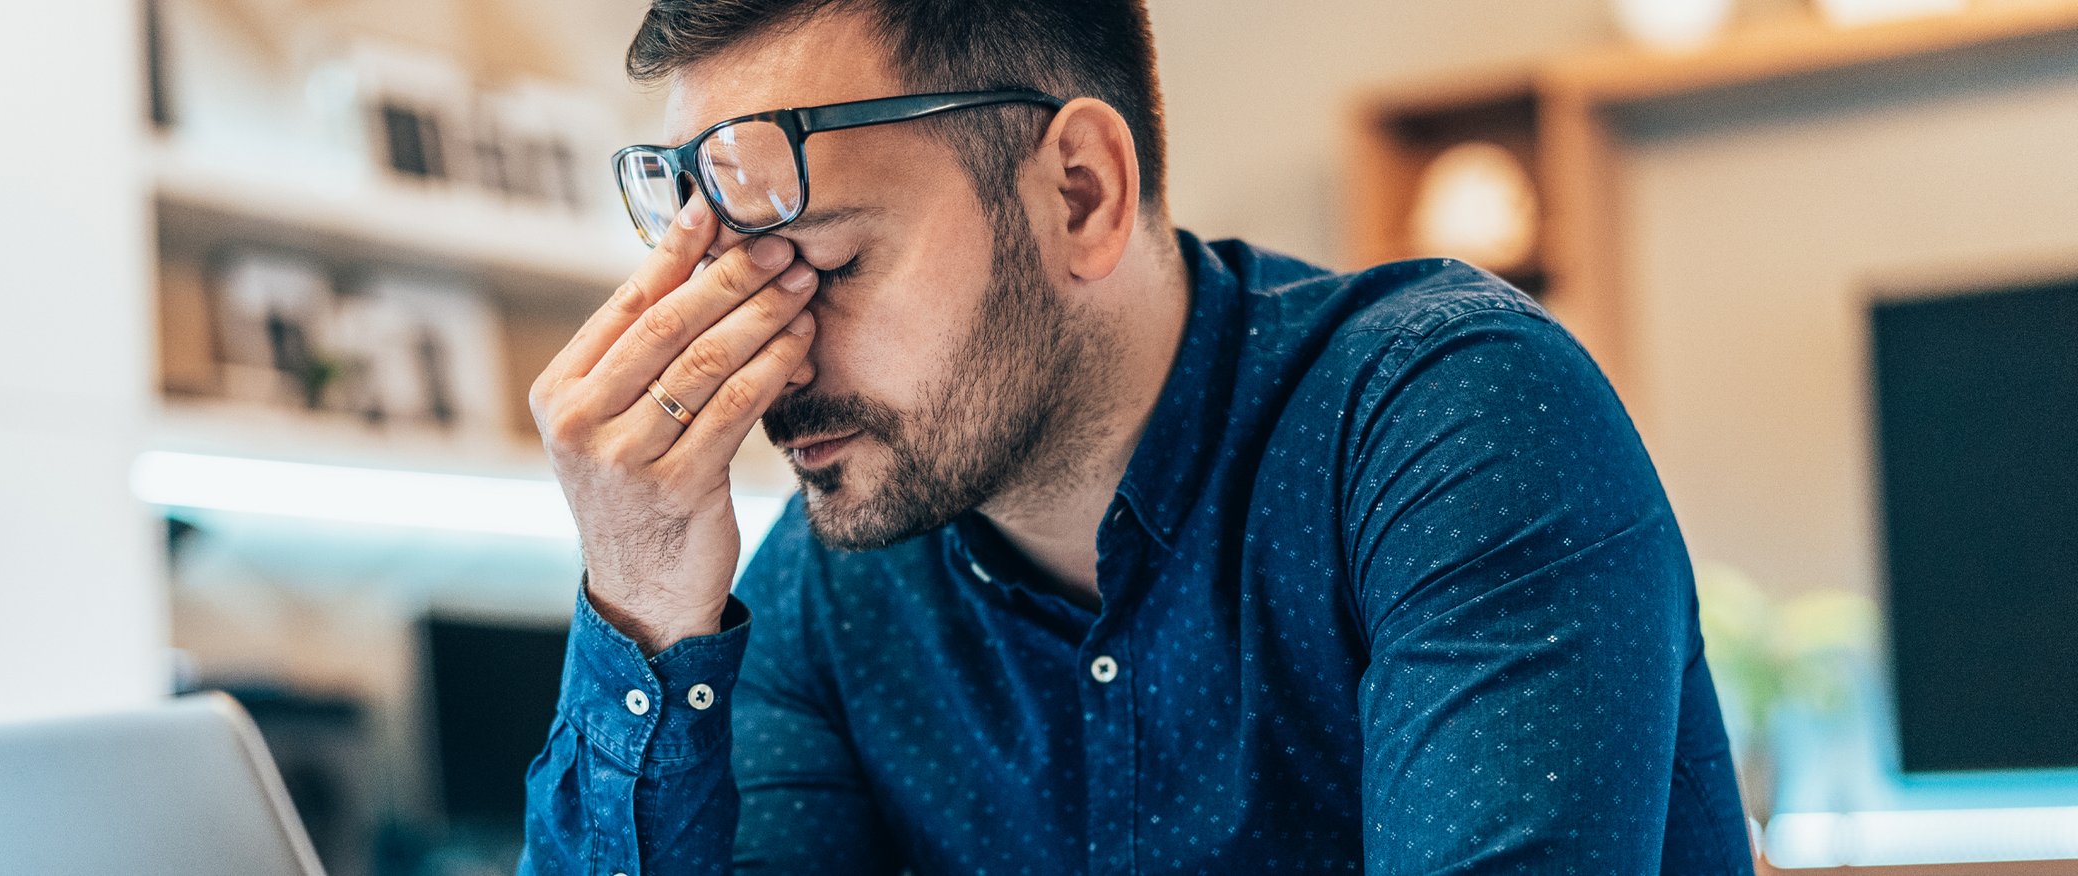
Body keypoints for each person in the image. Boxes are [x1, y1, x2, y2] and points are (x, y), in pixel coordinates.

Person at [520, 0, 1754, 872]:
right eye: (731, 292)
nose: (769, 363)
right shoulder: (826, 587)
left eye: (830, 267)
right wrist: (638, 606)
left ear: (1081, 192)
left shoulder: (1451, 422)